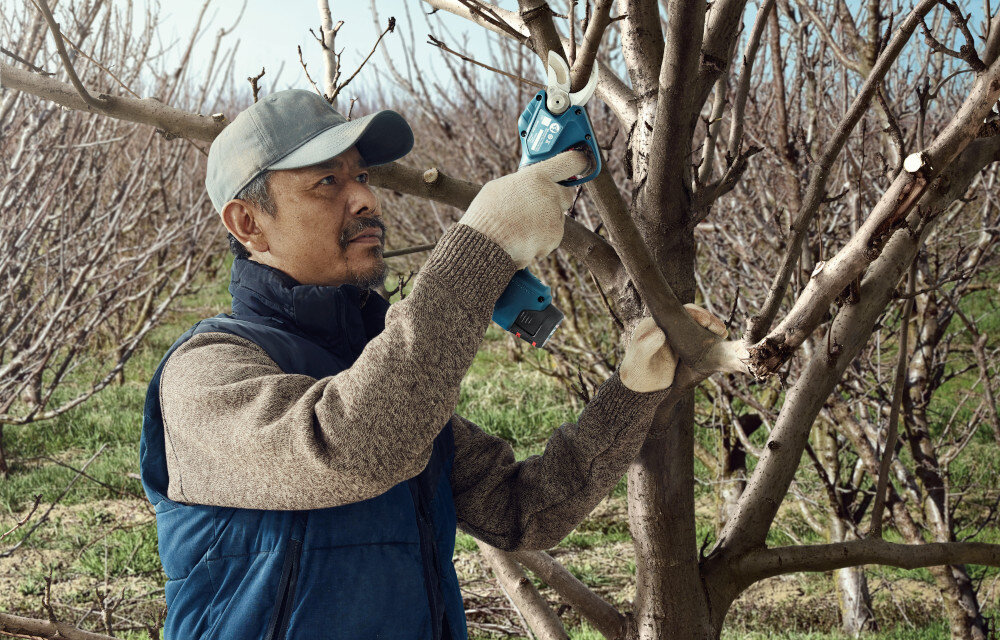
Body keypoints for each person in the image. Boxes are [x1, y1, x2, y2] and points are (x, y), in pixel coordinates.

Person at [138, 89, 726, 640]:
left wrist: (631, 391)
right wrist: (480, 251)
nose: (365, 197)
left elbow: (523, 511)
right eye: (326, 182)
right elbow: (354, 448)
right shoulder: (205, 373)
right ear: (248, 223)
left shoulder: (374, 368)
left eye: (362, 176)